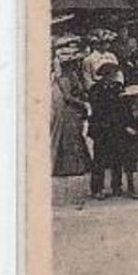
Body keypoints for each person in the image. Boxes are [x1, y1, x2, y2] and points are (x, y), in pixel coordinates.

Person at [84, 61, 127, 200]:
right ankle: (97, 188)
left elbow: (122, 107)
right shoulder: (95, 89)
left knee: (117, 158)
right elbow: (97, 110)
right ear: (105, 76)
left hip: (116, 127)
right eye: (112, 74)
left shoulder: (118, 87)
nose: (114, 77)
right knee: (99, 160)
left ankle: (117, 186)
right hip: (101, 128)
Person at [51, 39, 91, 178]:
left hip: (72, 106)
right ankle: (68, 167)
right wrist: (82, 103)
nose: (76, 64)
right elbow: (67, 97)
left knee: (75, 133)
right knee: (68, 134)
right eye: (73, 62)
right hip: (66, 108)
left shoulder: (72, 75)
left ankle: (79, 164)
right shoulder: (63, 78)